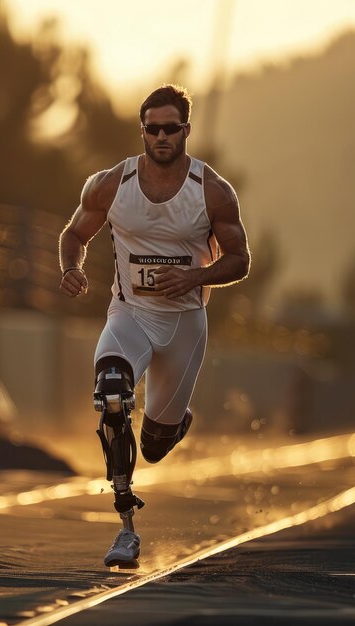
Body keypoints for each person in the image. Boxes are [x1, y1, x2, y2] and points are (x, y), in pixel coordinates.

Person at [58, 84, 250, 567]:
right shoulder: (110, 184)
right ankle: (125, 528)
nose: (161, 136)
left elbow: (241, 260)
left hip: (185, 326)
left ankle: (172, 425)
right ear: (141, 130)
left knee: (155, 445)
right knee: (112, 396)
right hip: (129, 316)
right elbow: (74, 234)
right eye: (152, 128)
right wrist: (71, 268)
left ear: (186, 130)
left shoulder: (212, 191)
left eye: (171, 128)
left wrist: (197, 275)